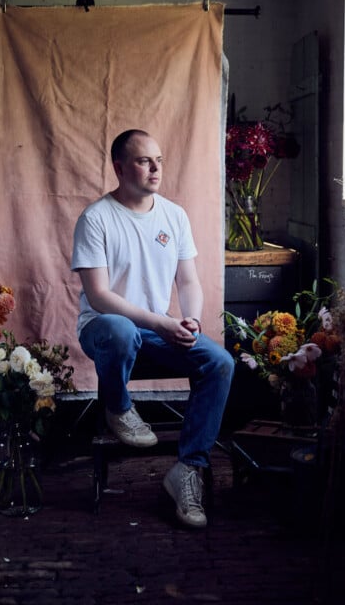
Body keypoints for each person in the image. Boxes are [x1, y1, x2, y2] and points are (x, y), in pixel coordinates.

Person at [71, 129, 234, 528]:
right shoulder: (96, 218)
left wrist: (190, 319)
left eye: (159, 160)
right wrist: (161, 321)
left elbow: (189, 281)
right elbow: (99, 296)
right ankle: (119, 408)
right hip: (105, 331)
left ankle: (187, 470)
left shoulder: (174, 215)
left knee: (219, 363)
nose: (155, 168)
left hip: (155, 331)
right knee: (121, 330)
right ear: (120, 167)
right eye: (145, 161)